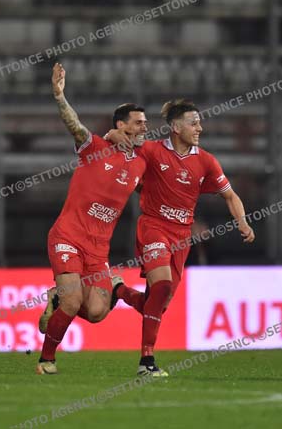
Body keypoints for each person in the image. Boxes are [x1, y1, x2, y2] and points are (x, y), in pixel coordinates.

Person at [108, 99, 255, 376]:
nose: (200, 128)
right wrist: (115, 136)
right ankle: (147, 361)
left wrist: (243, 222)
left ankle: (119, 291)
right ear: (176, 127)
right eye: (193, 123)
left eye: (199, 123)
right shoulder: (151, 150)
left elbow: (230, 195)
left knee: (158, 303)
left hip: (182, 237)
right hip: (153, 227)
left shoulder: (206, 161)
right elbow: (115, 137)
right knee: (162, 286)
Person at [35, 63, 147, 375]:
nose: (144, 127)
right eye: (138, 122)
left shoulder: (141, 163)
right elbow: (74, 125)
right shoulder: (95, 146)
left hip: (98, 249)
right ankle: (46, 360)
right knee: (73, 302)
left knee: (97, 312)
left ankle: (58, 299)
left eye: (146, 122)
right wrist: (60, 96)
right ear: (121, 125)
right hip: (68, 237)